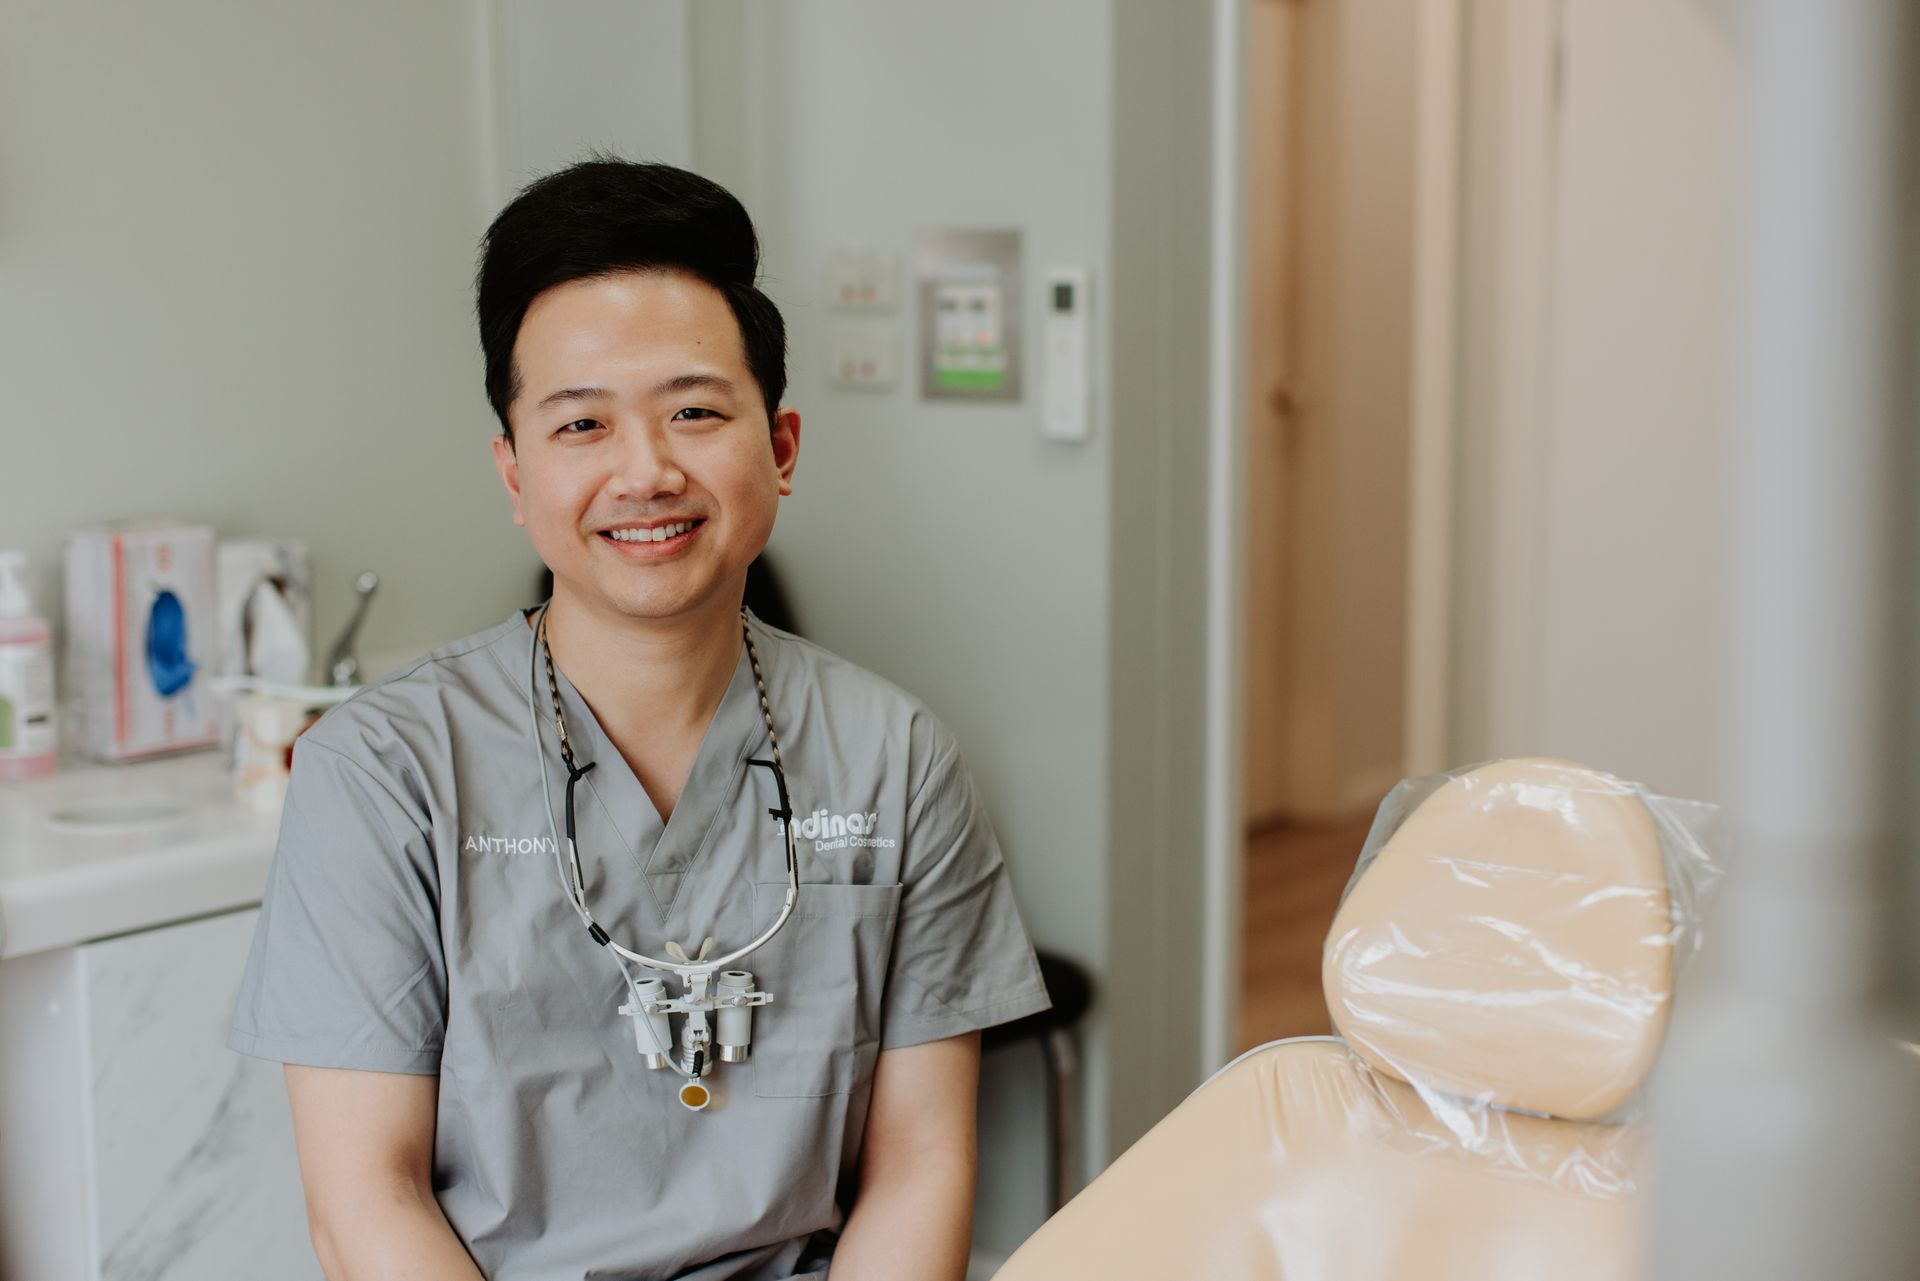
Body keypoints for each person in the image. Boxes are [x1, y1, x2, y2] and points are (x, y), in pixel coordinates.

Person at [227, 158, 1051, 1281]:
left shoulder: (892, 758)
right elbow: (367, 1201)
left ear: (783, 447)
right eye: (581, 427)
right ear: (514, 474)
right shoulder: (382, 775)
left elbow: (920, 1164)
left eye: (696, 412)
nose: (646, 470)